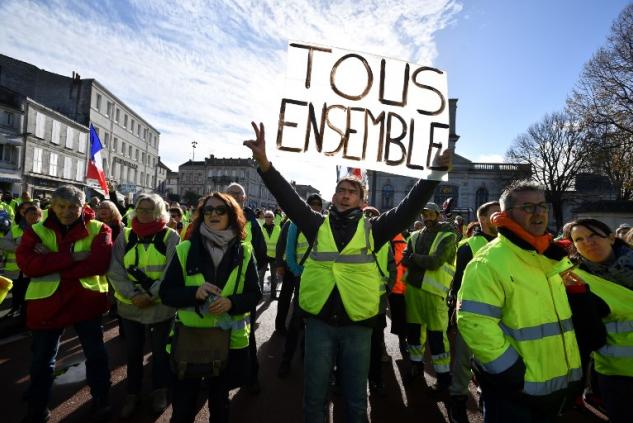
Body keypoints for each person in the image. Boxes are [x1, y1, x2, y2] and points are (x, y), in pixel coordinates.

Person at [244, 121, 452, 423]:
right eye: (341, 190)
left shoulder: (375, 228)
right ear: (334, 196)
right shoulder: (316, 223)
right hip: (319, 322)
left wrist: (432, 175)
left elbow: (409, 207)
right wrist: (265, 165)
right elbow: (288, 199)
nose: (345, 194)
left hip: (359, 323)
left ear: (362, 200)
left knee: (356, 401)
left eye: (352, 191)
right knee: (314, 399)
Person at [457, 181, 582, 422]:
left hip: (555, 383)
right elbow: (474, 323)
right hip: (514, 391)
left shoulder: (548, 255)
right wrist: (510, 371)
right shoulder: (488, 261)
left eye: (541, 205)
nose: (538, 213)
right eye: (527, 207)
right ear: (505, 215)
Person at [159, 192, 262, 423]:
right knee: (183, 407)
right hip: (191, 340)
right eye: (208, 210)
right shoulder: (185, 249)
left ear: (232, 215)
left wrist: (232, 302)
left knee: (220, 405)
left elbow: (254, 294)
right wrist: (194, 293)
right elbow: (166, 293)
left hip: (229, 340)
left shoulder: (245, 251)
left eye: (220, 210)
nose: (213, 214)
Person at [16, 185, 113, 422]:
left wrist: (49, 261)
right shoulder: (36, 230)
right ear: (52, 206)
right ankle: (37, 408)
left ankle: (101, 398)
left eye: (73, 207)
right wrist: (71, 257)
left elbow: (98, 265)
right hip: (48, 303)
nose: (67, 211)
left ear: (83, 207)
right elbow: (27, 265)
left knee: (96, 355)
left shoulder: (100, 229)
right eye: (61, 206)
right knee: (42, 361)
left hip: (85, 302)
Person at [108, 193, 179, 418]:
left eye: (149, 209)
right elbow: (115, 269)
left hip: (160, 307)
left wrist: (151, 295)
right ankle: (132, 393)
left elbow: (172, 271)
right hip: (131, 305)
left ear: (159, 212)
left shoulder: (171, 236)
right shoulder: (126, 236)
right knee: (133, 352)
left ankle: (160, 391)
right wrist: (133, 295)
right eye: (140, 208)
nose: (144, 213)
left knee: (160, 353)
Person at [563, 219, 633, 423]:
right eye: (579, 239)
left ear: (611, 238)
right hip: (617, 374)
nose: (588, 242)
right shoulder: (576, 278)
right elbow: (587, 336)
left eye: (593, 235)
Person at [447, 201, 500, 423]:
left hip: (502, 315)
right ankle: (457, 398)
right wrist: (455, 313)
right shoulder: (467, 246)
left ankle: (487, 396)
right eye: (495, 214)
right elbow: (458, 282)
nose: (501, 216)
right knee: (463, 361)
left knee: (494, 361)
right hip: (472, 315)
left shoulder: (509, 244)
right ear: (483, 219)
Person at [402, 202, 456, 390]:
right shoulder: (414, 236)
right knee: (414, 333)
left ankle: (443, 377)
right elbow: (404, 259)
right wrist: (416, 259)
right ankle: (416, 366)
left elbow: (435, 262)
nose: (427, 217)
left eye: (431, 213)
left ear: (438, 214)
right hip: (414, 290)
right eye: (424, 213)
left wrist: (414, 258)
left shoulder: (448, 235)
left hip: (434, 293)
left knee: (437, 336)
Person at [225, 182, 267, 393]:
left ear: (244, 198)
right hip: (216, 290)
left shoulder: (252, 222)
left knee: (246, 335)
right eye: (230, 193)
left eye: (237, 194)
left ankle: (251, 378)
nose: (233, 197)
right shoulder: (213, 216)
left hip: (242, 291)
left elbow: (260, 254)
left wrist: (246, 277)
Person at [277, 194, 324, 377]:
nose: (315, 207)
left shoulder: (323, 224)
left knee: (314, 321)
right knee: (296, 320)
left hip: (320, 280)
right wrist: (297, 272)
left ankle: (305, 354)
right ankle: (286, 360)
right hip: (302, 277)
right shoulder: (295, 224)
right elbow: (289, 251)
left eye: (318, 205)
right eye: (312, 204)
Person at [0, 202, 41, 319]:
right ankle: (15, 309)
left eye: (35, 214)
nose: (32, 216)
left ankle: (25, 316)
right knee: (16, 293)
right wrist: (21, 248)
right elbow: (2, 242)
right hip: (15, 270)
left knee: (28, 295)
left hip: (32, 271)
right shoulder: (16, 229)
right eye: (29, 213)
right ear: (24, 215)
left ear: (39, 216)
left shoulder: (42, 230)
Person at [260, 210, 281, 298]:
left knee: (274, 277)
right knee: (261, 276)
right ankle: (259, 294)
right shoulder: (261, 228)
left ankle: (273, 295)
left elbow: (280, 242)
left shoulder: (277, 227)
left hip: (274, 256)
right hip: (264, 256)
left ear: (273, 218)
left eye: (269, 216)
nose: (267, 218)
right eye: (266, 217)